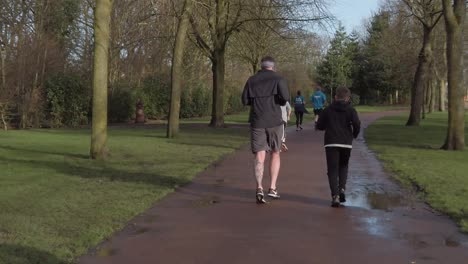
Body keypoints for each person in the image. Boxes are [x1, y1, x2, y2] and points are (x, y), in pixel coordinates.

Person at [242, 56, 289, 204]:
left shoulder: (251, 80)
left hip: (257, 121)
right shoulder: (278, 79)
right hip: (275, 121)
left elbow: (244, 100)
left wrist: (255, 102)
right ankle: (273, 188)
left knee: (259, 156)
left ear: (261, 67)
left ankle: (259, 188)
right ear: (273, 67)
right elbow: (285, 98)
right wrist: (278, 101)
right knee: (275, 153)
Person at [316, 87, 361, 207]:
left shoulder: (328, 109)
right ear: (348, 98)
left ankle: (335, 196)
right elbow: (357, 124)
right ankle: (342, 189)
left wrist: (323, 125)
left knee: (332, 169)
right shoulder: (351, 110)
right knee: (343, 166)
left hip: (331, 142)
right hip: (346, 142)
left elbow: (320, 125)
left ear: (335, 97)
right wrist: (354, 135)